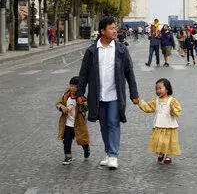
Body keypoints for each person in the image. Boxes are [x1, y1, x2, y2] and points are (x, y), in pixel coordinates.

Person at [77, 16, 139, 170]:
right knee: (103, 125)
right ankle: (108, 152)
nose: (115, 31)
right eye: (111, 28)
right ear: (102, 31)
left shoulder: (121, 49)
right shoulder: (92, 51)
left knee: (113, 123)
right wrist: (80, 93)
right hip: (98, 94)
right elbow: (83, 74)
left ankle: (113, 155)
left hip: (115, 94)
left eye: (115, 28)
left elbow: (129, 73)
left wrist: (134, 93)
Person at [137, 78, 182, 164]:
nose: (158, 90)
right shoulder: (156, 101)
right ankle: (161, 153)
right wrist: (140, 102)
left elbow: (178, 111)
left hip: (169, 124)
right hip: (159, 124)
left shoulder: (172, 100)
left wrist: (173, 110)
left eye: (160, 88)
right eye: (157, 89)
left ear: (167, 89)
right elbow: (149, 107)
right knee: (159, 140)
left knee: (168, 141)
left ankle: (168, 155)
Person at [56, 76, 90, 165]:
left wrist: (81, 104)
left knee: (82, 139)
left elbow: (86, 108)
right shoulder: (66, 96)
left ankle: (86, 148)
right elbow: (58, 103)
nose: (73, 88)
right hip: (67, 123)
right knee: (67, 140)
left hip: (79, 124)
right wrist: (61, 107)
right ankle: (68, 156)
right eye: (71, 86)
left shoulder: (82, 98)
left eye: (75, 86)